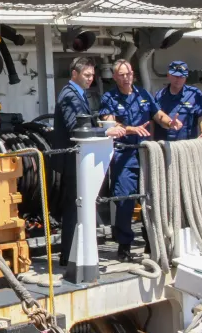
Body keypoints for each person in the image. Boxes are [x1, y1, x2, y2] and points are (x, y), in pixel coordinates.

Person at [53, 57, 124, 269]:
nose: (90, 79)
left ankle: (72, 254)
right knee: (74, 208)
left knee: (76, 207)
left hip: (77, 160)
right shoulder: (69, 95)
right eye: (86, 75)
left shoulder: (77, 94)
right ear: (74, 74)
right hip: (72, 161)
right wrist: (105, 130)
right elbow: (76, 126)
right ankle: (70, 256)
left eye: (92, 75)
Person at [98, 59, 155, 261]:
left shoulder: (143, 95)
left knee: (151, 200)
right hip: (124, 156)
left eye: (128, 73)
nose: (126, 77)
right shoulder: (109, 98)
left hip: (147, 155)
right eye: (121, 74)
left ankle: (151, 243)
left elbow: (158, 115)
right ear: (114, 77)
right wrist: (131, 128)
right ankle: (124, 246)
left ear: (133, 74)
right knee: (124, 202)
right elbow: (108, 120)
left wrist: (170, 122)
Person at [151, 61, 202, 142]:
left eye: (181, 76)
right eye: (175, 76)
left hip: (187, 146)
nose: (178, 79)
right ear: (168, 75)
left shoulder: (194, 94)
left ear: (186, 77)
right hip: (165, 147)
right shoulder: (159, 96)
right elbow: (154, 120)